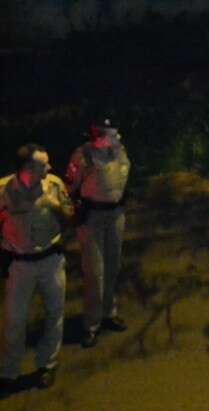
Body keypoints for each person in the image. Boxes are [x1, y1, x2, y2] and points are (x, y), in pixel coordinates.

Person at [0, 144, 74, 392]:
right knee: (14, 320)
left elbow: (71, 215)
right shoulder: (3, 190)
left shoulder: (54, 184)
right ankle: (9, 371)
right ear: (28, 168)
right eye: (44, 164)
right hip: (19, 264)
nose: (49, 167)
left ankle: (47, 364)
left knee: (54, 313)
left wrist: (56, 206)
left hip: (51, 260)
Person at [65, 118, 132, 348]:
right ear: (98, 137)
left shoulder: (119, 150)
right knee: (95, 272)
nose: (116, 138)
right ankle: (91, 324)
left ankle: (108, 313)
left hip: (116, 214)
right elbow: (69, 187)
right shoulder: (82, 156)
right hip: (92, 217)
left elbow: (122, 178)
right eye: (110, 135)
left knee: (113, 265)